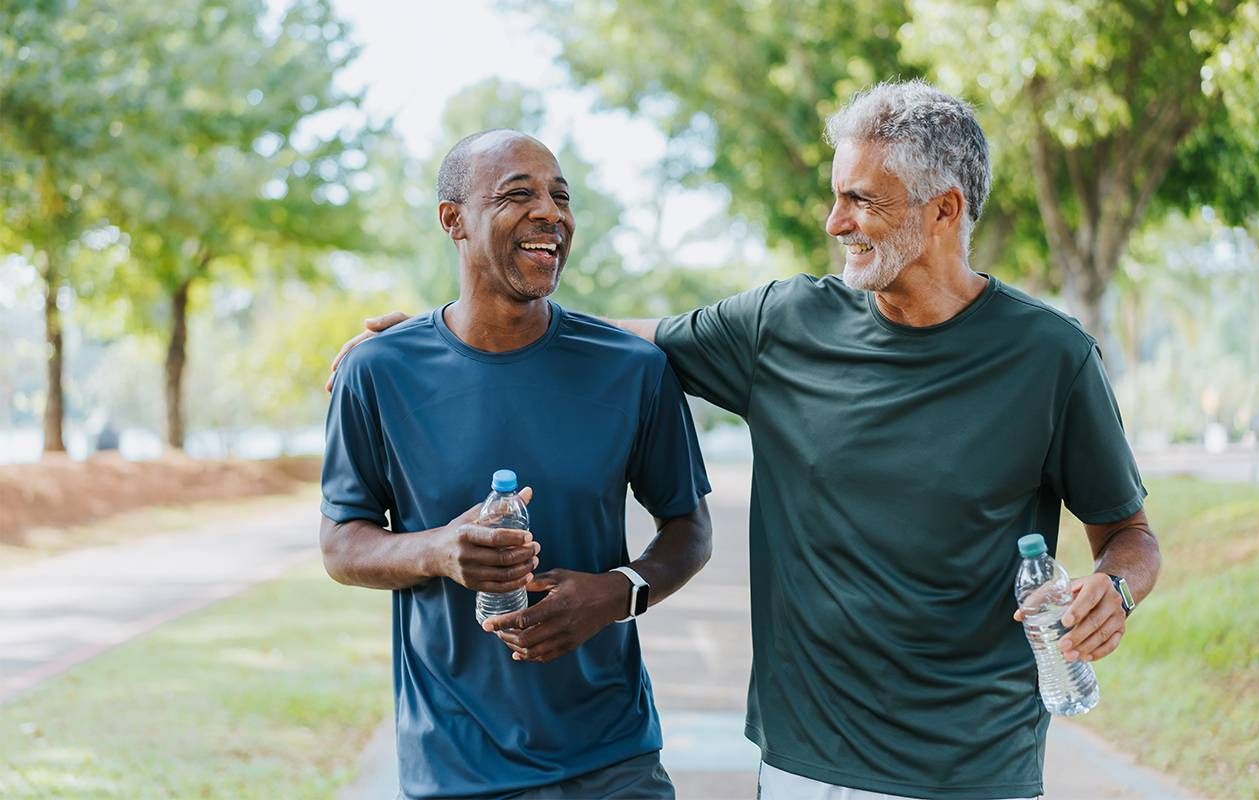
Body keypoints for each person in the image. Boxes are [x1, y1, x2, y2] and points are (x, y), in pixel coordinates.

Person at [331, 81, 1161, 800]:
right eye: (837, 194)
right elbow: (627, 340)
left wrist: (1112, 592)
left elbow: (1128, 537)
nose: (835, 221)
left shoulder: (1051, 357)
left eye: (862, 200)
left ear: (944, 209)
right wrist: (440, 334)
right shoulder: (785, 323)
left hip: (974, 762)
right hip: (806, 757)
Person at [320, 129, 712, 800]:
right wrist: (440, 551)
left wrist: (617, 592)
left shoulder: (632, 370)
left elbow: (689, 529)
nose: (550, 214)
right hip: (457, 766)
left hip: (614, 760)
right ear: (454, 221)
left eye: (561, 197)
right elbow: (341, 544)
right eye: (517, 194)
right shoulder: (378, 372)